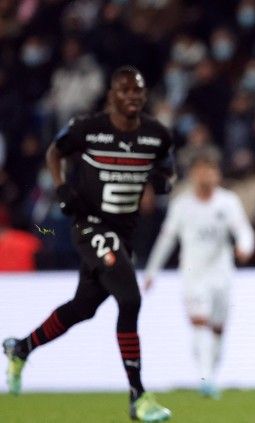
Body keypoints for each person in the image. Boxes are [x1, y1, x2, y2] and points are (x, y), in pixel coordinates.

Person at [3, 66, 173, 422]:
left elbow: (165, 170)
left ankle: (21, 347)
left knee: (83, 307)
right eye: (124, 90)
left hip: (123, 234)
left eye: (137, 91)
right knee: (130, 298)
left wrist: (159, 183)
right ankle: (137, 396)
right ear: (111, 94)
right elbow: (54, 152)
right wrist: (62, 188)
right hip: (90, 226)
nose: (131, 97)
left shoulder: (156, 135)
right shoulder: (88, 128)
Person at [143, 146, 255, 399]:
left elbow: (244, 231)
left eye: (210, 169)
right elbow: (166, 240)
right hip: (194, 275)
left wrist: (244, 247)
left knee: (217, 329)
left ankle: (210, 374)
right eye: (201, 169)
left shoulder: (228, 202)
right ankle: (205, 378)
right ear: (193, 173)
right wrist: (151, 272)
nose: (205, 174)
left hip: (222, 275)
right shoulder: (182, 205)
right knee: (200, 323)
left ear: (217, 173)